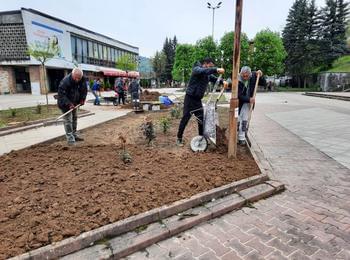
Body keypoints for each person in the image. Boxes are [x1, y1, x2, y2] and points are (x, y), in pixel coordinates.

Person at [176, 57, 225, 146]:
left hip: (198, 100)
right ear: (205, 64)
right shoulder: (197, 69)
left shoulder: (207, 74)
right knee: (185, 119)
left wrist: (223, 82)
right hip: (190, 99)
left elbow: (214, 79)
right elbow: (204, 71)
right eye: (210, 66)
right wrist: (216, 69)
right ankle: (179, 138)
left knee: (201, 120)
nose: (210, 68)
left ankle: (201, 139)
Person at [57, 68, 87, 145]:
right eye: (76, 78)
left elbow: (84, 90)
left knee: (74, 119)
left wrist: (82, 99)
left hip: (75, 102)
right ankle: (70, 140)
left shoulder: (82, 79)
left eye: (79, 78)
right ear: (72, 75)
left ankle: (74, 135)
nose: (77, 80)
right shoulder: (65, 82)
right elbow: (62, 95)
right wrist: (69, 104)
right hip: (65, 103)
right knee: (68, 121)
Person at [237, 66, 265, 145]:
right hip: (239, 103)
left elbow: (263, 83)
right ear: (241, 74)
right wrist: (249, 99)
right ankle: (237, 135)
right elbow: (238, 95)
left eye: (247, 76)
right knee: (238, 120)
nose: (245, 77)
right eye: (243, 76)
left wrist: (260, 76)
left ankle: (242, 138)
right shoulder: (238, 80)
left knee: (244, 120)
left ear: (249, 74)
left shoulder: (254, 76)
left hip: (248, 104)